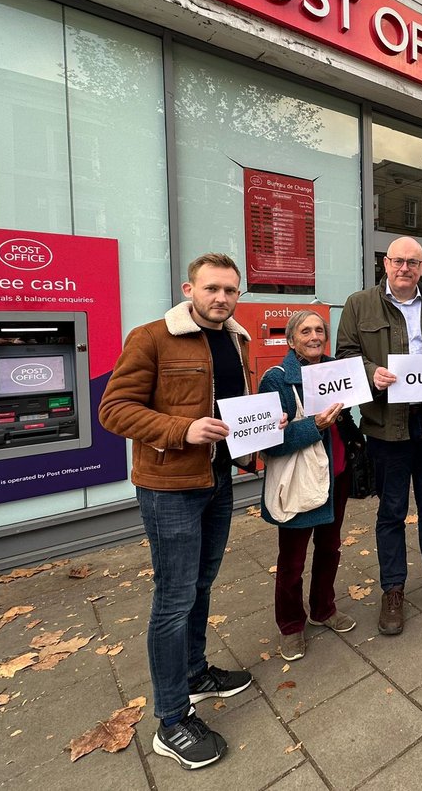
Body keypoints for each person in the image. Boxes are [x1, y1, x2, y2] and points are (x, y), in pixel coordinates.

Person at [99, 253, 264, 770]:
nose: (221, 298)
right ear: (188, 289)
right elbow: (114, 409)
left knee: (201, 584)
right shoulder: (151, 337)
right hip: (170, 485)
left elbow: (231, 404)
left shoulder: (236, 339)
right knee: (173, 598)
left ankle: (194, 673)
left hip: (216, 480)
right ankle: (171, 720)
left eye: (230, 290)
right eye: (212, 288)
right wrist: (182, 430)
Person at [336, 236, 422, 635]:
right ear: (386, 262)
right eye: (398, 261)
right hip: (385, 424)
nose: (405, 268)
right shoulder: (359, 304)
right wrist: (370, 371)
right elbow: (344, 355)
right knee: (391, 511)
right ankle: (393, 589)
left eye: (413, 262)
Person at [259, 310, 358, 662]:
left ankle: (323, 609)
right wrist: (313, 424)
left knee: (330, 549)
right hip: (302, 479)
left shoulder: (334, 371)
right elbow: (270, 442)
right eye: (306, 331)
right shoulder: (277, 380)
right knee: (292, 560)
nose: (314, 336)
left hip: (337, 476)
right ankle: (290, 625)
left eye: (320, 330)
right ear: (291, 340)